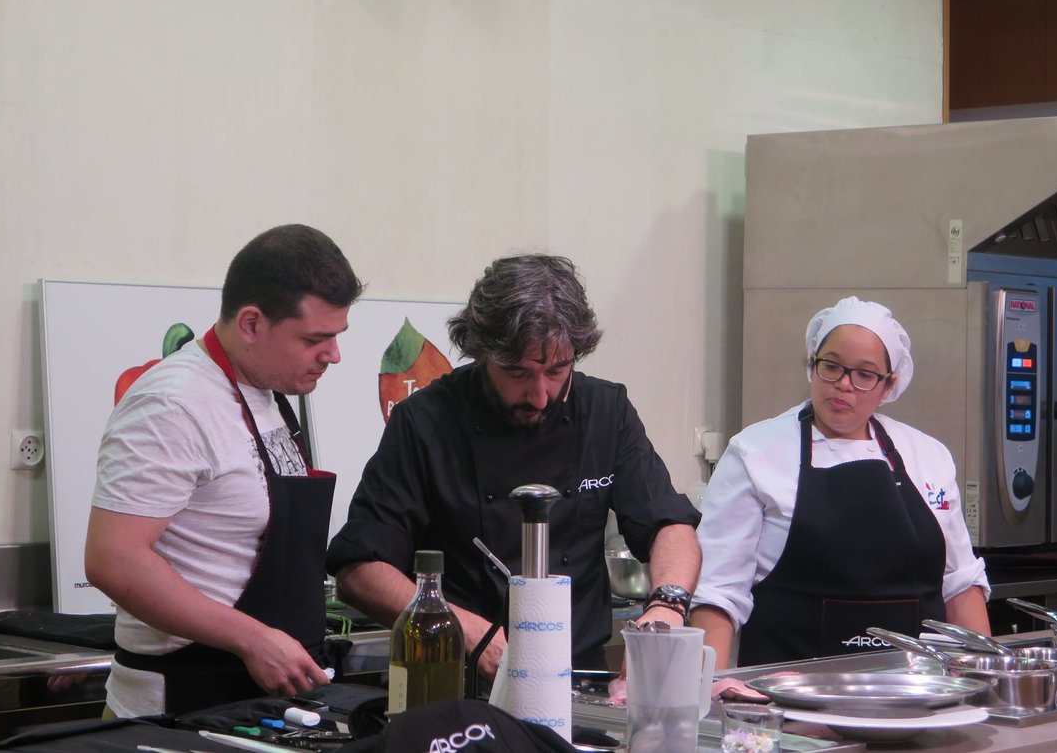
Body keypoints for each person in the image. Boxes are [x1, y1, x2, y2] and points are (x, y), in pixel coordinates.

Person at [326, 254, 701, 680]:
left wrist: (666, 608)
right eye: (518, 373)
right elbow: (359, 570)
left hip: (579, 673)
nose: (540, 395)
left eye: (557, 371)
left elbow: (669, 523)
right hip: (459, 675)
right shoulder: (425, 421)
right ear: (481, 351)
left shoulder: (605, 411)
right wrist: (458, 626)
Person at [85, 224, 364, 717]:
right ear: (252, 324)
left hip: (257, 695)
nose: (333, 356)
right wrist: (254, 640)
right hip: (179, 702)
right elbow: (114, 560)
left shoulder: (268, 390)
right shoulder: (171, 405)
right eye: (316, 339)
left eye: (337, 337)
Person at [690, 297, 991, 669]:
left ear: (888, 385)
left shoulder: (928, 456)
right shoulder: (755, 452)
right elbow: (718, 594)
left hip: (916, 693)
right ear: (812, 365)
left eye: (864, 375)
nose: (843, 385)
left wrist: (987, 682)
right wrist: (712, 697)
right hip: (788, 696)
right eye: (831, 367)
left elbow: (960, 583)